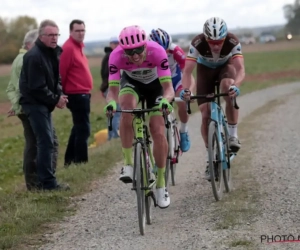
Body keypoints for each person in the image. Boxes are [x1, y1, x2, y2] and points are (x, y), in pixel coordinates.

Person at [104, 25, 175, 208]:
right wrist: (111, 103)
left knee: (158, 131)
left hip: (155, 87)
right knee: (126, 108)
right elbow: (112, 92)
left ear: (145, 46)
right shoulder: (116, 56)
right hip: (132, 84)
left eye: (138, 50)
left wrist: (166, 101)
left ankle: (160, 184)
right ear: (122, 50)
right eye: (129, 52)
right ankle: (128, 163)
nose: (135, 56)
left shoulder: (157, 52)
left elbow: (168, 89)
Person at [181, 17, 245, 180]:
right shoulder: (197, 43)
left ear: (225, 38)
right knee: (205, 113)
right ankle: (210, 157)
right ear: (205, 38)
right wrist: (187, 90)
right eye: (212, 42)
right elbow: (187, 72)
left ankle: (232, 135)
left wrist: (236, 85)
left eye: (219, 42)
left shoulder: (232, 41)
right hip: (205, 71)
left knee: (228, 87)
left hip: (225, 68)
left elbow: (240, 69)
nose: (216, 45)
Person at [6, 29, 59, 190]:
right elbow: (29, 86)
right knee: (44, 143)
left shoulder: (19, 58)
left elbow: (12, 87)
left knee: (35, 143)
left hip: (25, 106)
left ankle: (35, 182)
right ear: (30, 43)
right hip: (32, 107)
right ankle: (41, 181)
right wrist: (19, 105)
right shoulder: (27, 59)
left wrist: (16, 105)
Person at [19, 19, 69, 191]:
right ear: (41, 36)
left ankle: (45, 182)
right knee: (45, 142)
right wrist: (56, 100)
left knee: (46, 142)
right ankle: (47, 184)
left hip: (44, 104)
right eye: (51, 35)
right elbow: (36, 87)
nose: (55, 38)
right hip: (33, 104)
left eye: (56, 34)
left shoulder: (52, 52)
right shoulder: (33, 56)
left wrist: (60, 94)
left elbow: (56, 79)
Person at [149, 28, 191, 152]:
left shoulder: (176, 50)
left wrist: (187, 89)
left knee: (182, 103)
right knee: (157, 115)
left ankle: (184, 130)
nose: (164, 53)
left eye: (166, 50)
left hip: (175, 79)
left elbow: (186, 72)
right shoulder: (148, 52)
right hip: (160, 82)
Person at [59, 19, 93, 166]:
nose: (81, 33)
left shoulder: (78, 47)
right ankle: (81, 162)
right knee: (83, 129)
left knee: (78, 128)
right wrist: (62, 93)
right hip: (76, 94)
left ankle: (69, 160)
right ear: (70, 32)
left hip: (83, 93)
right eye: (77, 31)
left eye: (82, 30)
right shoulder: (68, 48)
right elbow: (61, 73)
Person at [100, 36, 120, 140]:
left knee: (113, 113)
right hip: (112, 88)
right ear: (110, 44)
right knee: (116, 112)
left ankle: (111, 136)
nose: (117, 45)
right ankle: (114, 136)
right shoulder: (111, 56)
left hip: (110, 87)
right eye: (115, 43)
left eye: (118, 43)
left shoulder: (109, 55)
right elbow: (107, 73)